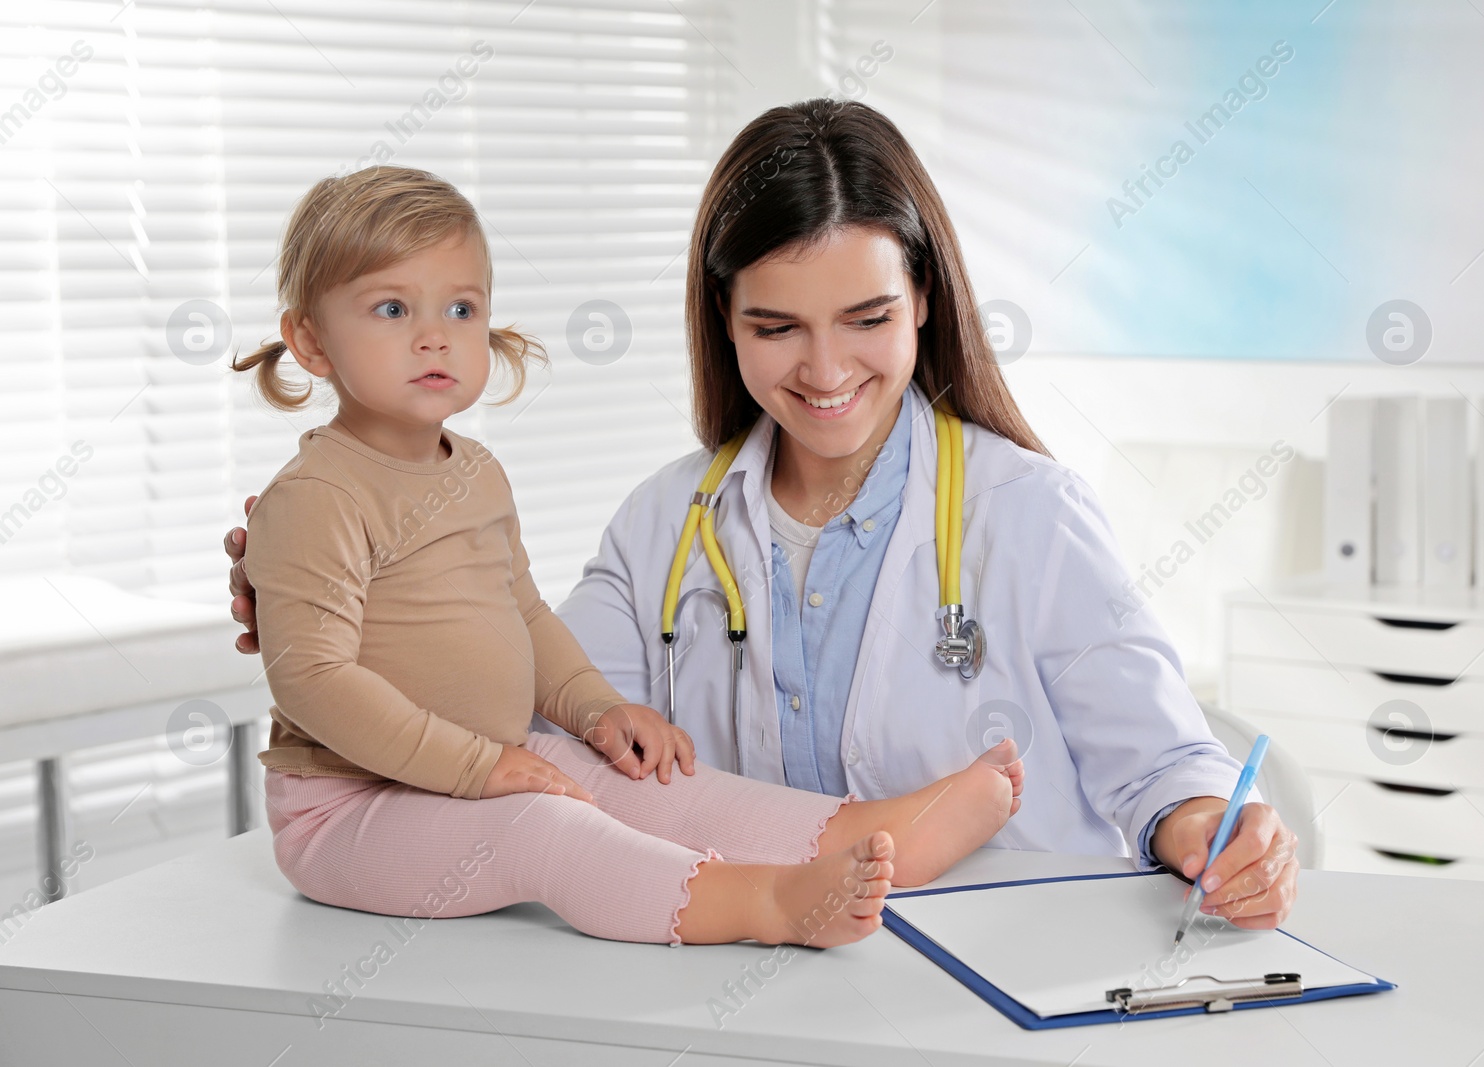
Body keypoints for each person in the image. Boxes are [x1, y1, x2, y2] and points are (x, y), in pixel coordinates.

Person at [229, 100, 1298, 930]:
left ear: (924, 299)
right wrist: (371, 604)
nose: (826, 369)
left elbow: (1162, 769)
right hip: (762, 984)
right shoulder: (666, 522)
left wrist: (1214, 832)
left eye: (868, 317)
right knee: (614, 782)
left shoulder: (1029, 513)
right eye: (777, 325)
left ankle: (887, 842)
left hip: (1002, 969)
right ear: (723, 322)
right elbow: (551, 739)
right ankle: (835, 865)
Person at [228, 165, 1024, 947]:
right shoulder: (317, 496)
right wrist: (481, 768)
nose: (435, 334)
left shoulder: (472, 472)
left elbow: (524, 615)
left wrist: (595, 709)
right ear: (311, 340)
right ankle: (766, 903)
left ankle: (869, 830)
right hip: (350, 806)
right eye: (392, 307)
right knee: (543, 827)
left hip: (482, 763)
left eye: (462, 307)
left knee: (651, 781)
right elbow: (316, 680)